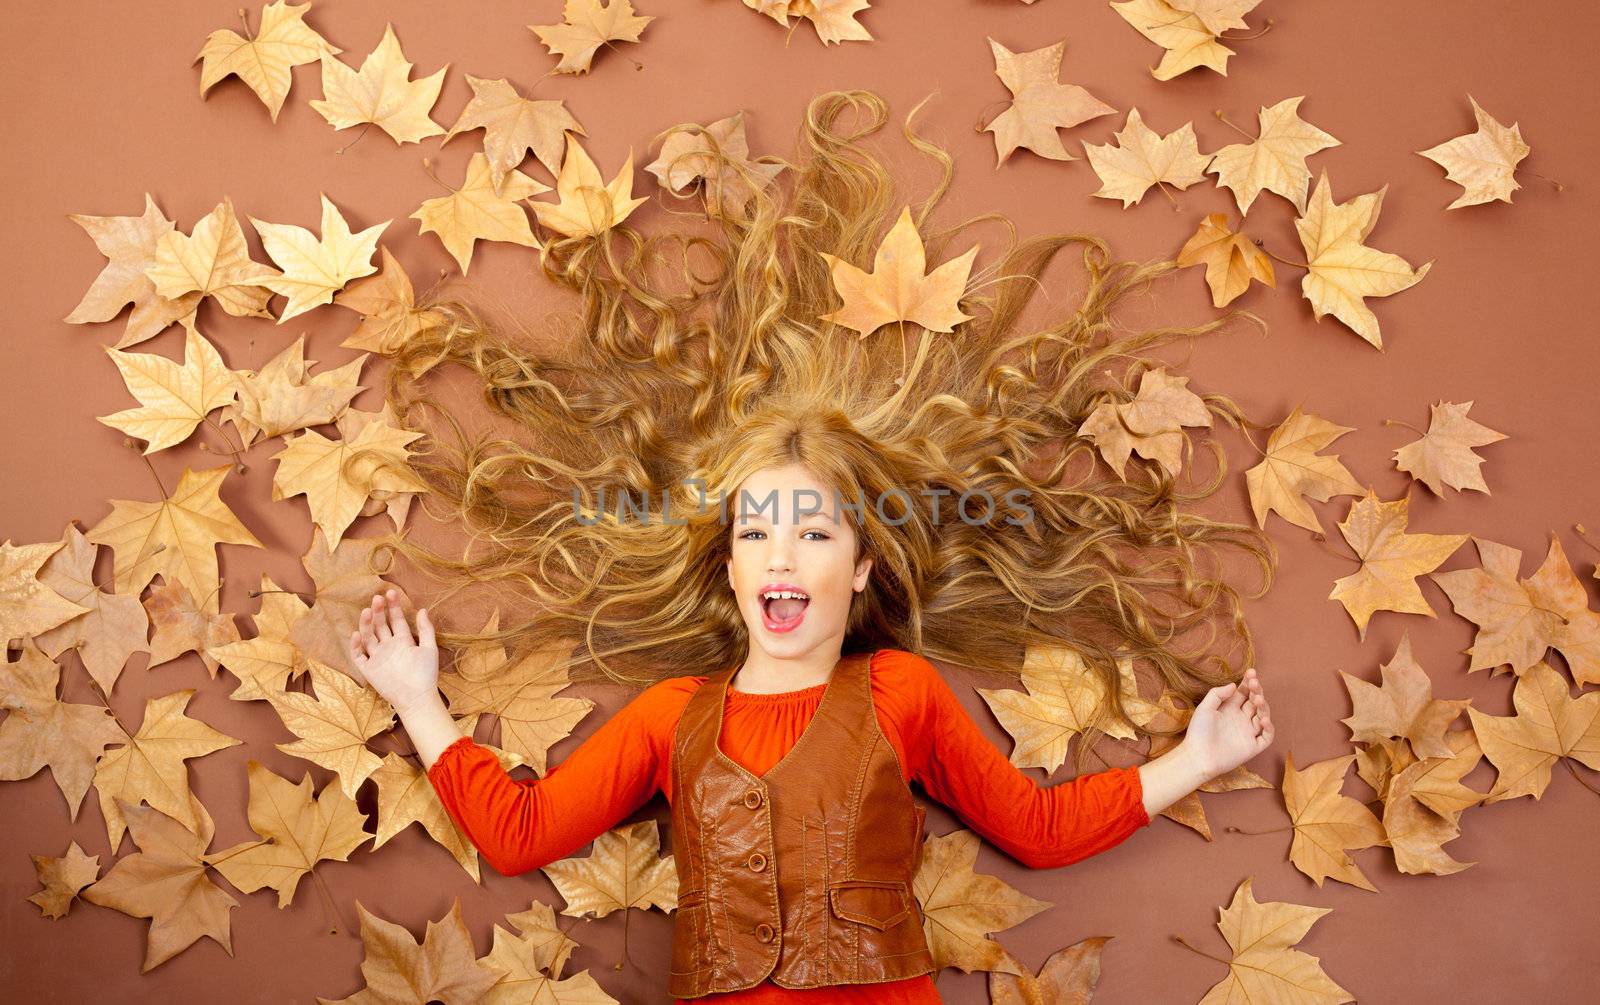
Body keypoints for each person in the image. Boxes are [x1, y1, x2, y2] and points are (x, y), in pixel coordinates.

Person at [347, 88, 1278, 1002]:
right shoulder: (671, 717)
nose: (782, 554)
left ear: (862, 564)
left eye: (813, 530)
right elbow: (520, 833)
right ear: (733, 568)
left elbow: (1035, 826)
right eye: (756, 531)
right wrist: (417, 700)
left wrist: (1196, 758)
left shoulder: (900, 692)